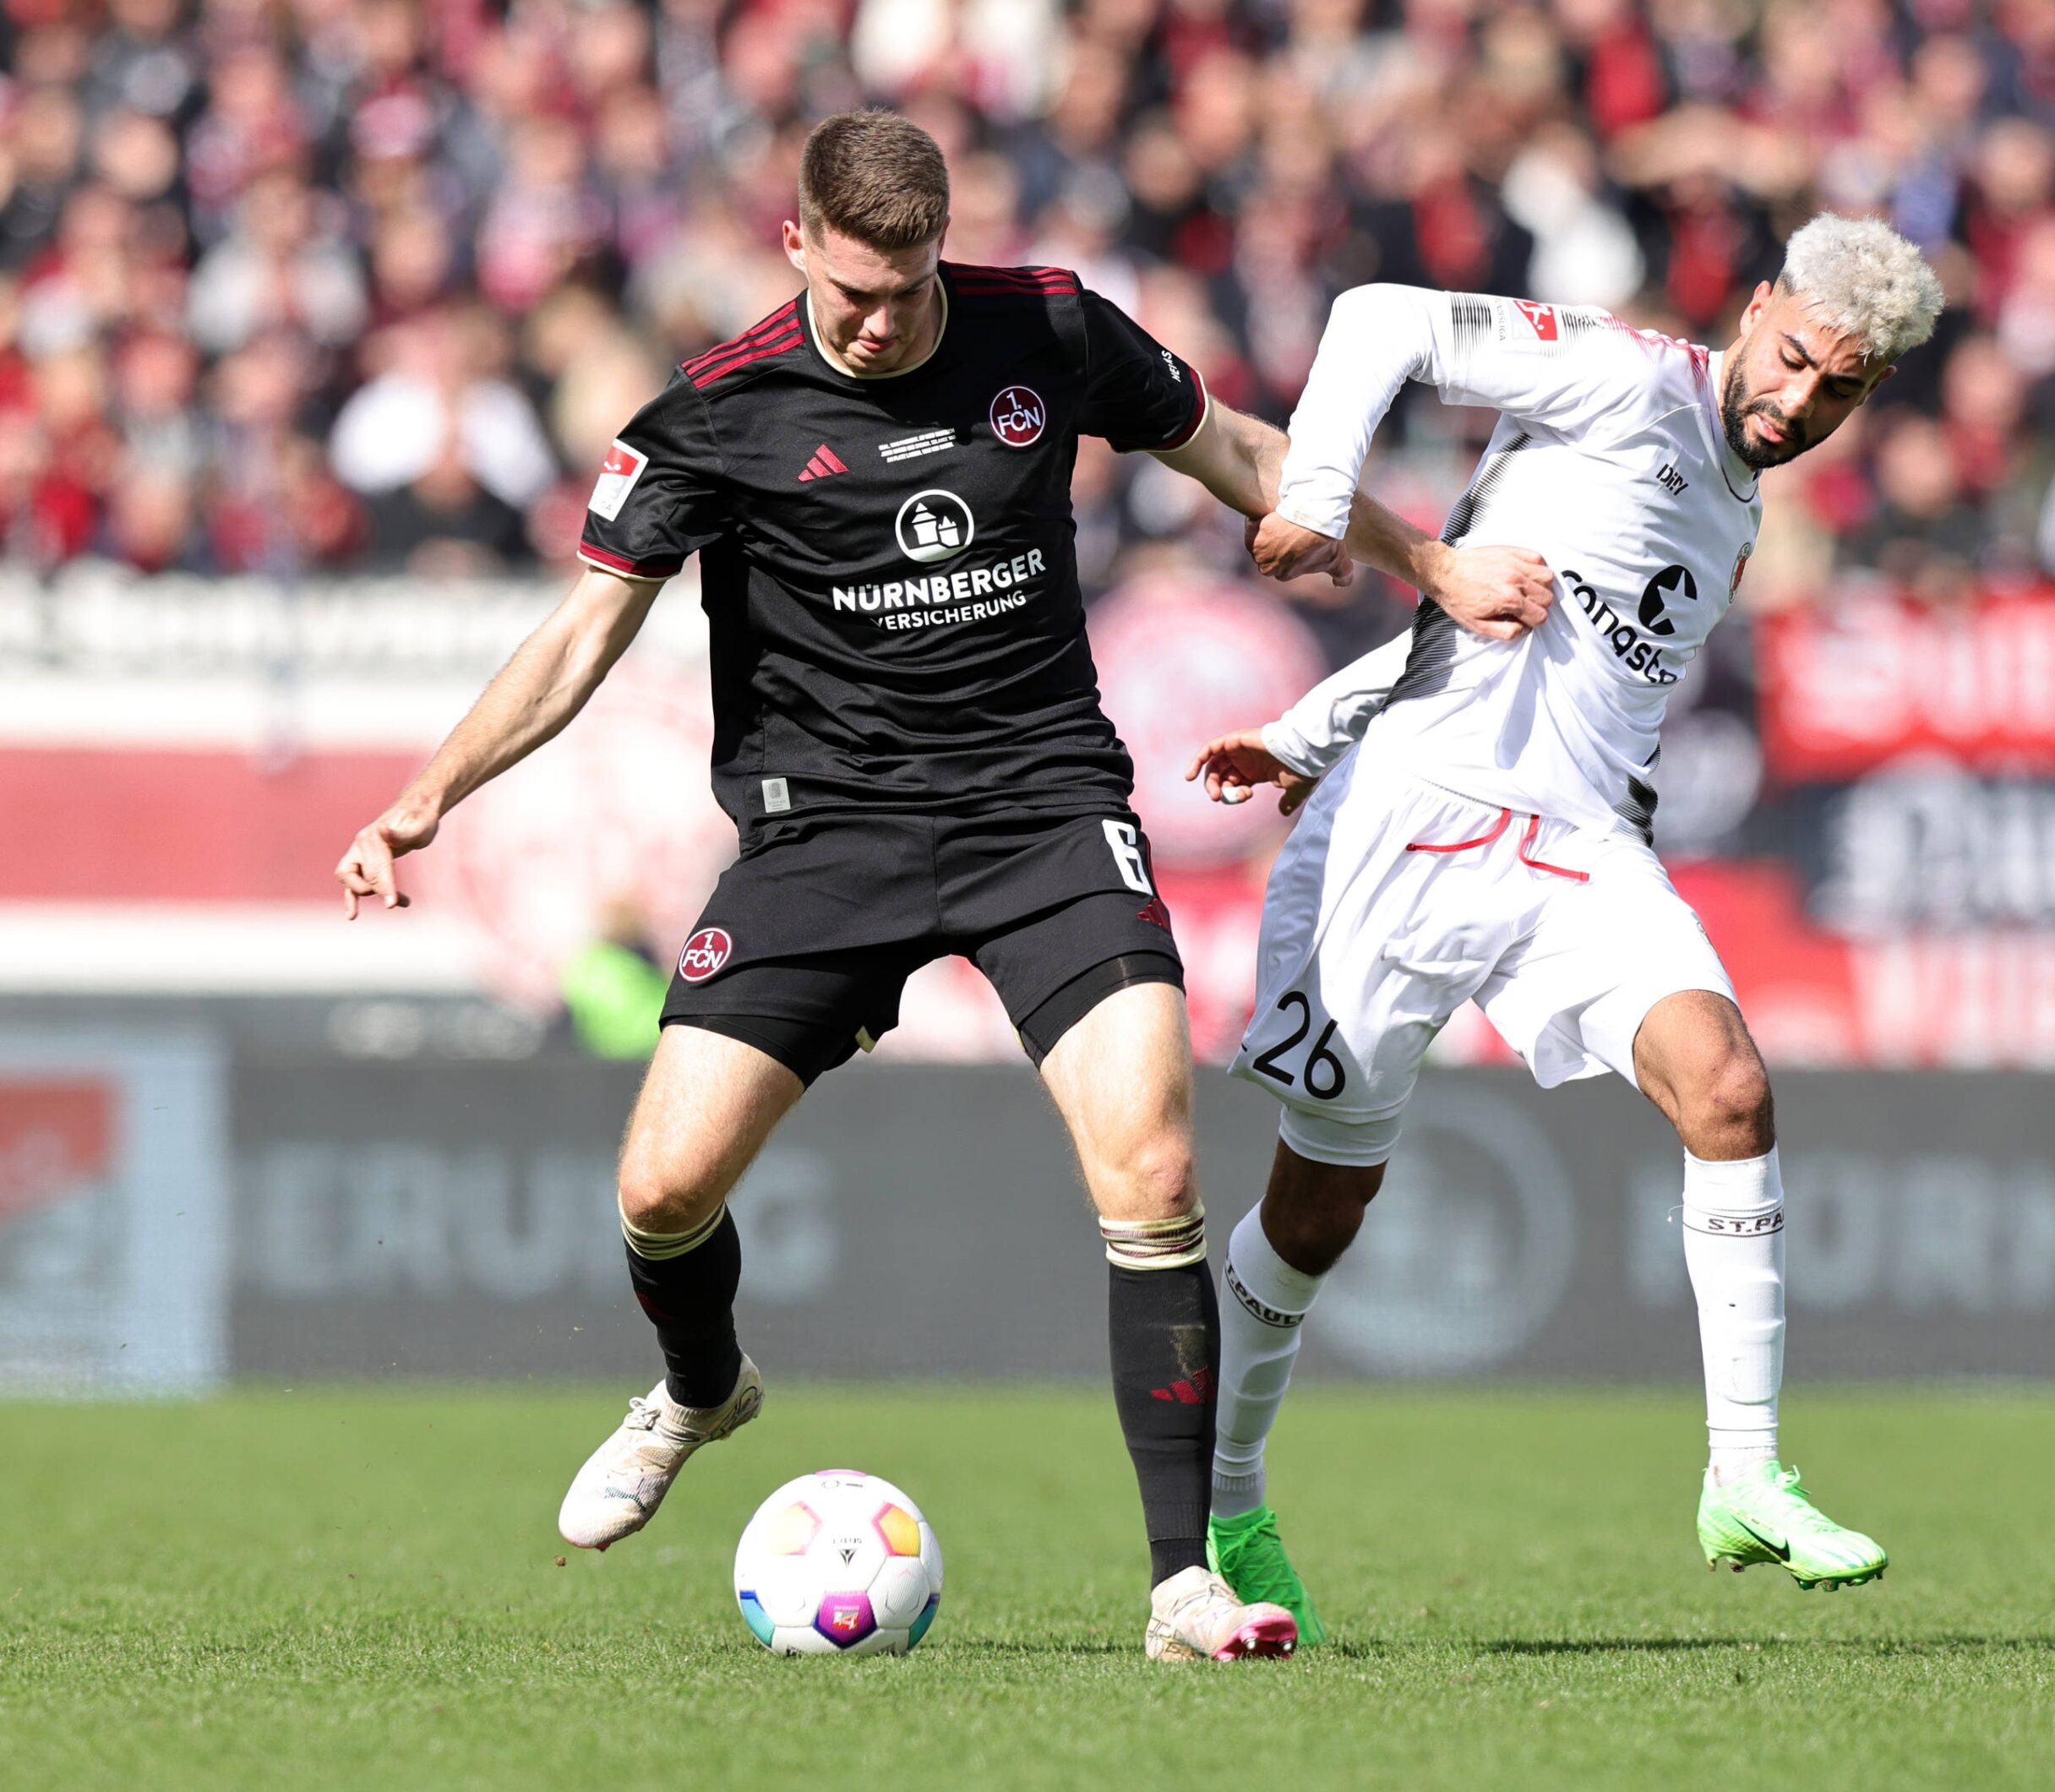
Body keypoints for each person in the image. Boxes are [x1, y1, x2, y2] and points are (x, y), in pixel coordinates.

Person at [335, 109, 1534, 1659]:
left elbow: (1238, 447)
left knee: (1156, 1172)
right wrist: (425, 796)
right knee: (659, 1191)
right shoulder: (717, 409)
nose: (880, 321)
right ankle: (704, 1387)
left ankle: (1181, 1582)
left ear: (938, 245)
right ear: (794, 247)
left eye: (905, 290)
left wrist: (1423, 562)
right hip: (820, 837)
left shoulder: (1044, 325)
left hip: (1041, 808)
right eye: (849, 294)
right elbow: (583, 634)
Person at [1185, 215, 1943, 1640]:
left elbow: (1539, 659)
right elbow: (1375, 315)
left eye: (1836, 390)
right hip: (1405, 836)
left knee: (1729, 1087)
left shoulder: (1734, 517)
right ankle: (1225, 1506)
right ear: (1759, 304)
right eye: (1790, 359)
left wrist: (1307, 715)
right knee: (1315, 1213)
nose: (1796, 402)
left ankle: (1744, 1473)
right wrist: (1332, 507)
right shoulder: (1621, 375)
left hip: (1579, 848)